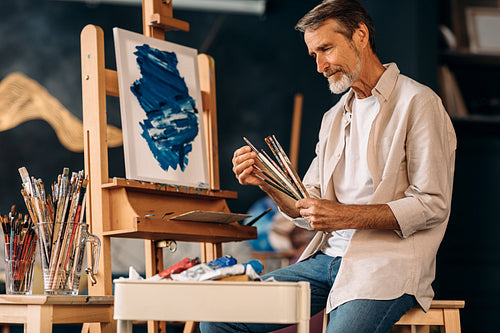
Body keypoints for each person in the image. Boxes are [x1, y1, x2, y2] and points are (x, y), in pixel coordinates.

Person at [200, 0, 456, 332]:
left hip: (385, 266)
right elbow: (304, 206)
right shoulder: (334, 117)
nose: (320, 64)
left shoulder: (418, 103)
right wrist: (266, 181)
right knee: (219, 318)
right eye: (314, 55)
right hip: (324, 261)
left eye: (326, 49)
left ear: (360, 36)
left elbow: (431, 204)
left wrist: (343, 215)